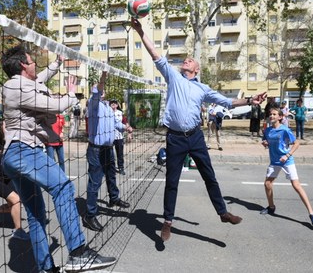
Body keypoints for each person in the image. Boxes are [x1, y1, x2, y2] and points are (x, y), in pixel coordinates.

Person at [131, 17, 268, 242]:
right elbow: (155, 54)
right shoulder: (173, 77)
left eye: (191, 59)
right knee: (171, 182)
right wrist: (140, 31)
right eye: (186, 59)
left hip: (194, 137)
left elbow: (228, 102)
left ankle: (223, 213)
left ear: (197, 69)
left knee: (209, 176)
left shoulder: (203, 88)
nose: (187, 59)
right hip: (175, 138)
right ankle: (167, 221)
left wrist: (251, 100)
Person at [0, 45, 116, 272]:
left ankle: (46, 268)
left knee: (35, 215)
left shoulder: (18, 84)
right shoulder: (16, 86)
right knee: (63, 188)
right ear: (24, 65)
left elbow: (39, 79)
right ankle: (78, 253)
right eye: (32, 61)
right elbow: (55, 105)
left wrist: (57, 63)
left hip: (15, 155)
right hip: (23, 151)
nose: (35, 64)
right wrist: (71, 94)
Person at [84, 71, 133, 232]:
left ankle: (114, 199)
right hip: (96, 150)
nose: (102, 90)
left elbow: (115, 124)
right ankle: (90, 215)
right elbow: (98, 90)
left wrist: (126, 127)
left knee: (111, 175)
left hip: (108, 149)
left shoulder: (107, 107)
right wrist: (103, 77)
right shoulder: (93, 104)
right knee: (95, 182)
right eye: (99, 88)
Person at [260, 107, 313, 227]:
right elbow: (267, 142)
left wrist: (287, 155)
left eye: (274, 114)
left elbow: (296, 143)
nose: (271, 116)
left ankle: (312, 214)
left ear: (280, 117)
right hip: (275, 161)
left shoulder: (285, 130)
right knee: (267, 184)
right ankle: (271, 207)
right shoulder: (268, 130)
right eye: (270, 114)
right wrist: (266, 143)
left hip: (287, 161)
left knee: (296, 186)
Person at [0, 117, 30, 240]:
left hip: (8, 178)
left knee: (15, 203)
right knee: (16, 200)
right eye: (5, 126)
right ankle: (18, 230)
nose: (8, 128)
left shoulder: (8, 142)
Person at [110, 99, 130, 175]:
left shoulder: (120, 113)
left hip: (119, 137)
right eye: (112, 103)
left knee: (120, 154)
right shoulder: (107, 113)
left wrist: (129, 131)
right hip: (110, 137)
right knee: (110, 154)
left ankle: (121, 167)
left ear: (117, 105)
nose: (113, 104)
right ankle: (110, 168)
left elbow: (125, 122)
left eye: (115, 103)